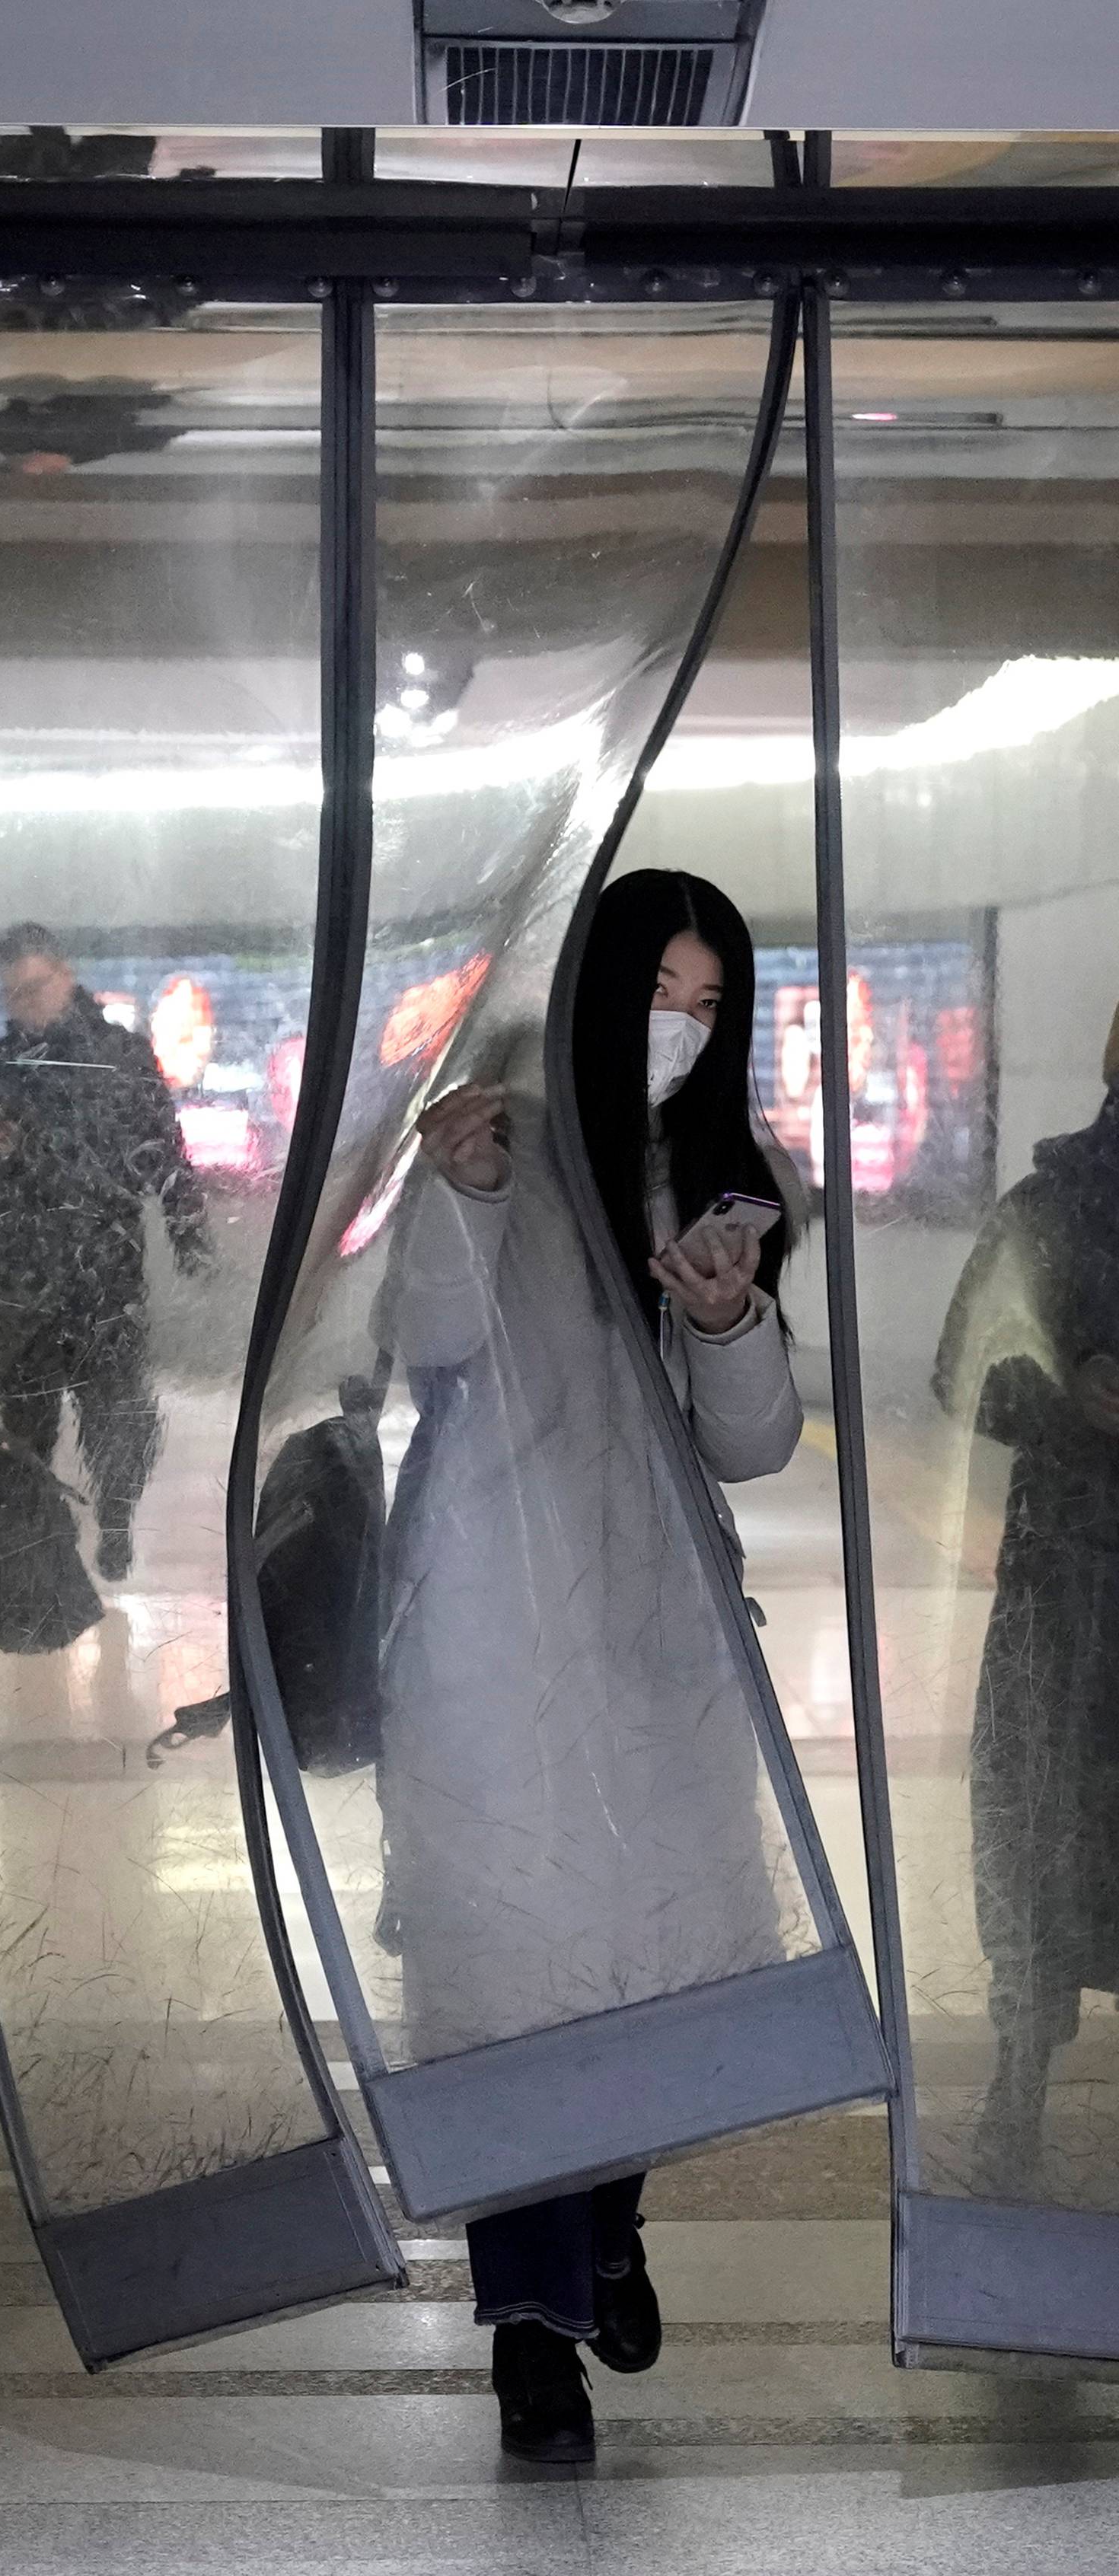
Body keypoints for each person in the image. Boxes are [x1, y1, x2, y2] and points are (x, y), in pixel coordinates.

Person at [375, 869, 803, 2465]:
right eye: (659, 994)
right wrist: (464, 1199)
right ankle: (532, 2334)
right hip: (492, 1626)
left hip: (655, 1642)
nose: (681, 1030)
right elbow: (427, 1345)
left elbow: (748, 1450)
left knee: (640, 1971)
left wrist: (728, 1322)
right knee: (508, 1982)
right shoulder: (503, 1146)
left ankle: (608, 2225)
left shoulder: (732, 1183)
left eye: (708, 1005)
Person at [935, 1005, 1119, 2192]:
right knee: (1040, 1830)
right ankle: (1016, 2084)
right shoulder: (1052, 1205)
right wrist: (1071, 1399)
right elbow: (965, 1372)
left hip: (1070, 1576)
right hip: (1069, 1586)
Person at [0, 924, 212, 1583]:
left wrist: (191, 1238)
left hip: (105, 1273)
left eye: (35, 986)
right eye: (12, 994)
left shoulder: (120, 1058)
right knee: (27, 1419)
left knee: (115, 1415)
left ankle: (118, 1517)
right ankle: (41, 1537)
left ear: (66, 976)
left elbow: (163, 1152)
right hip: (24, 1276)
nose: (26, 1003)